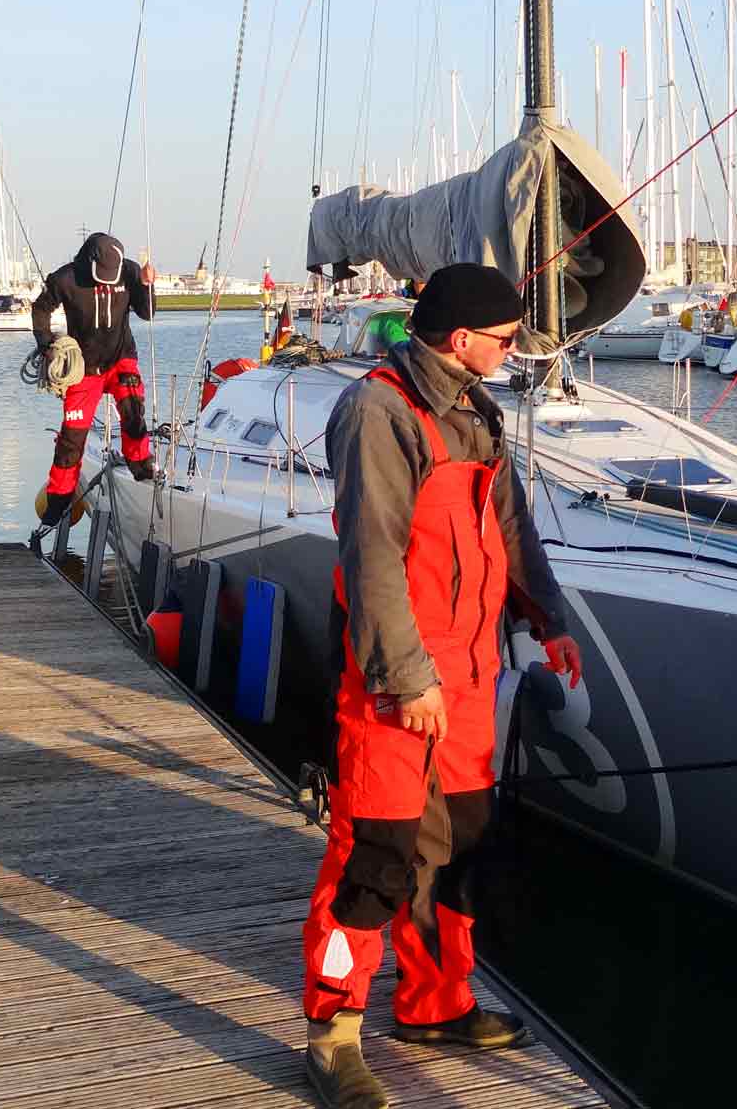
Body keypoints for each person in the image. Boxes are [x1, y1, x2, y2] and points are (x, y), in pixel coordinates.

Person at [302, 263, 583, 1109]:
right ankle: (332, 1034)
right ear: (461, 339)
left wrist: (550, 614)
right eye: (504, 339)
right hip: (400, 685)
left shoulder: (477, 411)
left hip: (467, 680)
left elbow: (511, 526)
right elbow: (374, 554)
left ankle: (435, 1004)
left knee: (459, 852)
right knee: (375, 861)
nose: (512, 351)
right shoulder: (378, 412)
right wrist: (407, 675)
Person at [30, 232, 158, 529]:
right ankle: (59, 499)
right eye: (101, 275)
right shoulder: (65, 278)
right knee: (72, 438)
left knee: (133, 410)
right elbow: (40, 309)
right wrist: (46, 344)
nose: (106, 281)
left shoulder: (129, 272)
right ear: (89, 262)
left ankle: (141, 466)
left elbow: (147, 312)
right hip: (84, 369)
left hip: (121, 357)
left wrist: (149, 286)